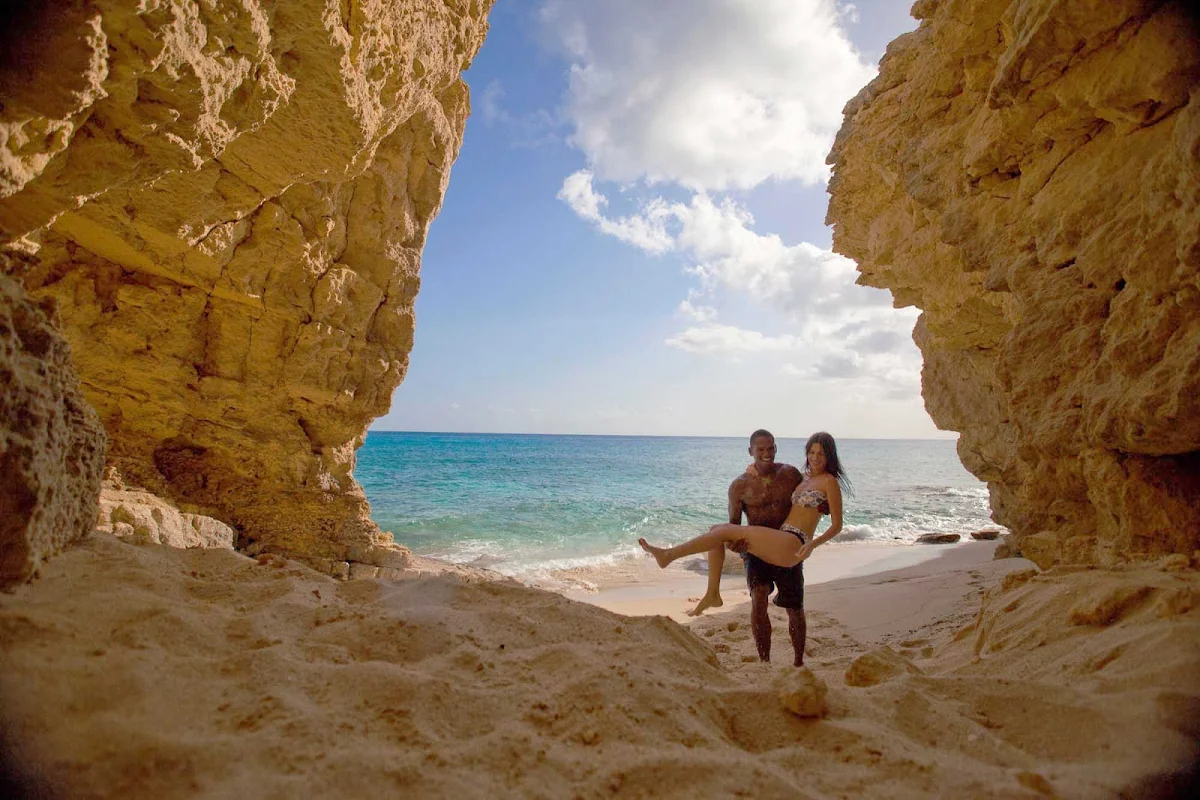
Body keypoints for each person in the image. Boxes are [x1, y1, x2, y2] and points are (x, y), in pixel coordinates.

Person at [639, 431, 849, 667]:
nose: (815, 457)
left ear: (829, 455)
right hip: (777, 540)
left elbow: (837, 524)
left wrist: (813, 544)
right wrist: (755, 469)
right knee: (718, 531)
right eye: (811, 452)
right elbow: (773, 474)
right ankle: (712, 594)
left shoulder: (827, 481)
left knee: (793, 606)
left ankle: (670, 556)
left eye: (821, 453)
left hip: (793, 542)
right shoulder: (802, 479)